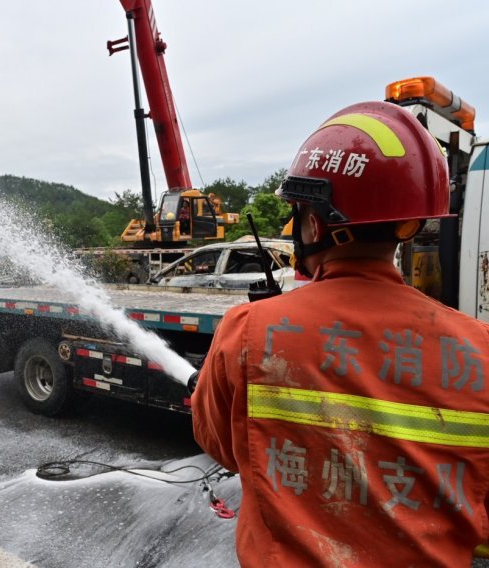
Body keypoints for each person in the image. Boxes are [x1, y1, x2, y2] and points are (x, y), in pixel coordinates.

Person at [191, 101, 489, 567]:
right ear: (406, 226)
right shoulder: (481, 350)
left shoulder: (248, 331)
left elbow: (220, 446)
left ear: (315, 223)